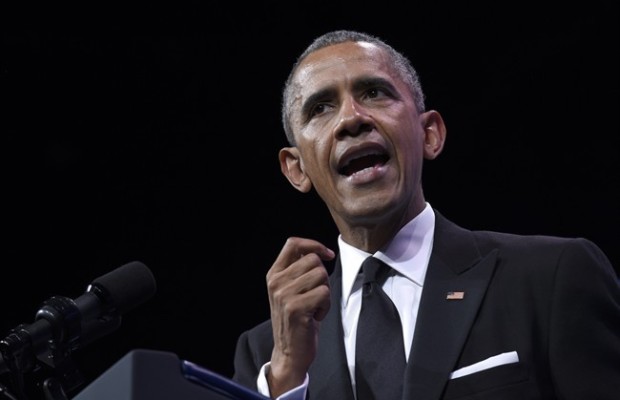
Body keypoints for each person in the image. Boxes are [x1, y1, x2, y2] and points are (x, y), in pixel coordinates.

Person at [231, 29, 620, 400]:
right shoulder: (266, 355)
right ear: (296, 169)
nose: (352, 118)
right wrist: (286, 379)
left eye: (374, 92)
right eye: (320, 107)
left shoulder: (550, 278)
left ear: (430, 133)